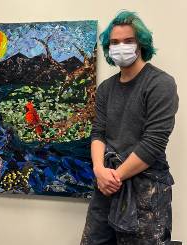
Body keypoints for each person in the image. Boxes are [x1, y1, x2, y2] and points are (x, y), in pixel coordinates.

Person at [81, 11, 179, 244]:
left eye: (128, 41)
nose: (120, 47)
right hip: (105, 183)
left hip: (146, 188)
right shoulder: (106, 88)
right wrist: (99, 171)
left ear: (141, 44)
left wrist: (114, 177)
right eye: (114, 42)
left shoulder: (160, 84)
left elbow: (153, 142)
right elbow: (98, 132)